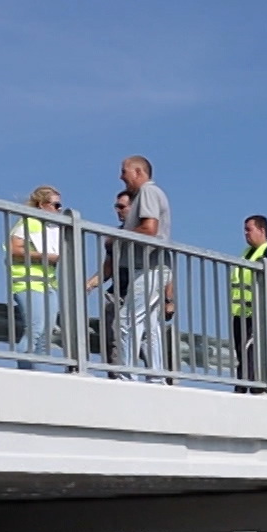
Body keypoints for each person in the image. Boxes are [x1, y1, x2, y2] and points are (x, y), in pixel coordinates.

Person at [115, 155, 173, 383]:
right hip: (154, 267)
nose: (121, 177)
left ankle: (127, 375)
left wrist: (118, 235)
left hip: (149, 268)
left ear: (138, 172)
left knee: (126, 320)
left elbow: (150, 228)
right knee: (150, 326)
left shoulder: (147, 192)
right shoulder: (149, 193)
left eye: (124, 171)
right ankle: (156, 376)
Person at [229, 215, 267, 393]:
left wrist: (264, 273)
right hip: (240, 311)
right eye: (244, 230)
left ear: (261, 231)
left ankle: (250, 390)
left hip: (256, 311)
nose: (245, 233)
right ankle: (243, 387)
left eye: (249, 229)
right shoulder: (246, 252)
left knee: (250, 351)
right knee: (241, 352)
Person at [6, 186, 63, 370]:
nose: (59, 210)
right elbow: (14, 249)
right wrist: (45, 256)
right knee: (35, 329)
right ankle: (25, 372)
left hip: (49, 284)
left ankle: (37, 373)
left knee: (46, 333)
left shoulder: (52, 228)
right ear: (41, 204)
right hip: (28, 282)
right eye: (56, 205)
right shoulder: (28, 222)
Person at [85, 190, 132, 376]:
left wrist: (169, 300)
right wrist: (90, 284)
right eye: (116, 207)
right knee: (112, 339)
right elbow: (107, 269)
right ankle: (115, 378)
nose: (118, 210)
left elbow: (164, 267)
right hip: (118, 293)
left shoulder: (150, 233)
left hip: (140, 294)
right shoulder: (113, 237)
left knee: (143, 341)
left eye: (122, 207)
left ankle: (153, 379)